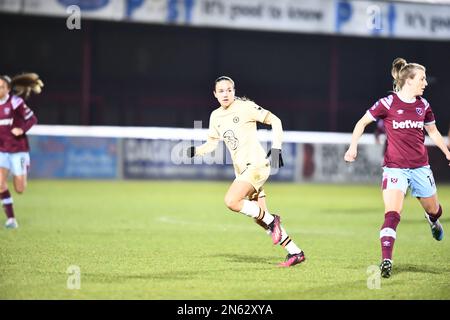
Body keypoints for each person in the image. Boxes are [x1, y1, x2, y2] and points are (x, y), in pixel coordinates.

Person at [344, 58, 450, 278]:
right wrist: (352, 147)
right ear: (409, 80)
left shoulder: (424, 106)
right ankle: (387, 260)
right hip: (395, 169)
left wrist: (447, 151)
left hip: (421, 168)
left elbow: (433, 132)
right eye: (422, 78)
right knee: (392, 214)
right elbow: (361, 123)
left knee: (435, 210)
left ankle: (432, 220)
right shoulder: (387, 103)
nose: (425, 83)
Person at [187, 76, 305, 267]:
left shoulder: (245, 107)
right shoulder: (215, 116)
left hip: (256, 166)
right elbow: (211, 143)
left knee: (231, 201)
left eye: (229, 90)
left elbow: (276, 121)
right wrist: (196, 151)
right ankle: (295, 251)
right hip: (243, 171)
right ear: (215, 94)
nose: (226, 94)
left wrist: (276, 148)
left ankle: (273, 219)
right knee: (260, 219)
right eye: (221, 91)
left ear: (234, 91)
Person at [0, 73, 43, 229]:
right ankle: (11, 219)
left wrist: (21, 129)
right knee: (0, 184)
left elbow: (32, 119)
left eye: (1, 87)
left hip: (18, 150)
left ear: (8, 89)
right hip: (2, 150)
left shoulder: (16, 102)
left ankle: (24, 168)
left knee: (20, 189)